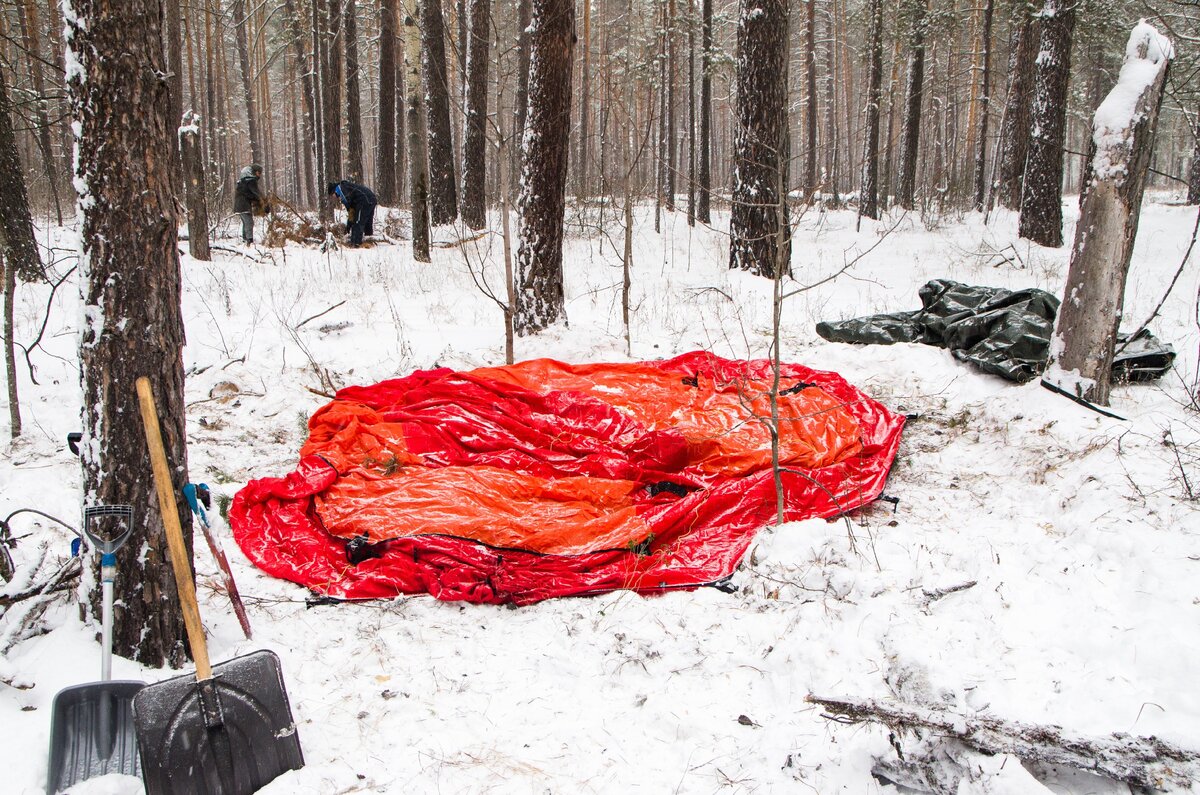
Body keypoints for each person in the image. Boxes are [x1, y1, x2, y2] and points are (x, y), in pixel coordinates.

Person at [327, 180, 378, 247]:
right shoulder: (345, 186)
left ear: (333, 191)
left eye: (332, 195)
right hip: (371, 198)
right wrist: (349, 225)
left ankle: (355, 244)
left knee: (358, 221)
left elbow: (351, 210)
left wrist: (348, 227)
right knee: (367, 221)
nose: (334, 198)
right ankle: (369, 240)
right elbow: (352, 211)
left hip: (364, 200)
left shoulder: (340, 189)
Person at [234, 164, 268, 244]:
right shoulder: (250, 181)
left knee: (246, 222)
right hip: (244, 205)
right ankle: (249, 240)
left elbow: (249, 194)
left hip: (239, 205)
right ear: (255, 172)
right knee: (249, 222)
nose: (259, 175)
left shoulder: (243, 180)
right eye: (259, 173)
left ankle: (245, 239)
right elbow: (256, 193)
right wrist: (264, 202)